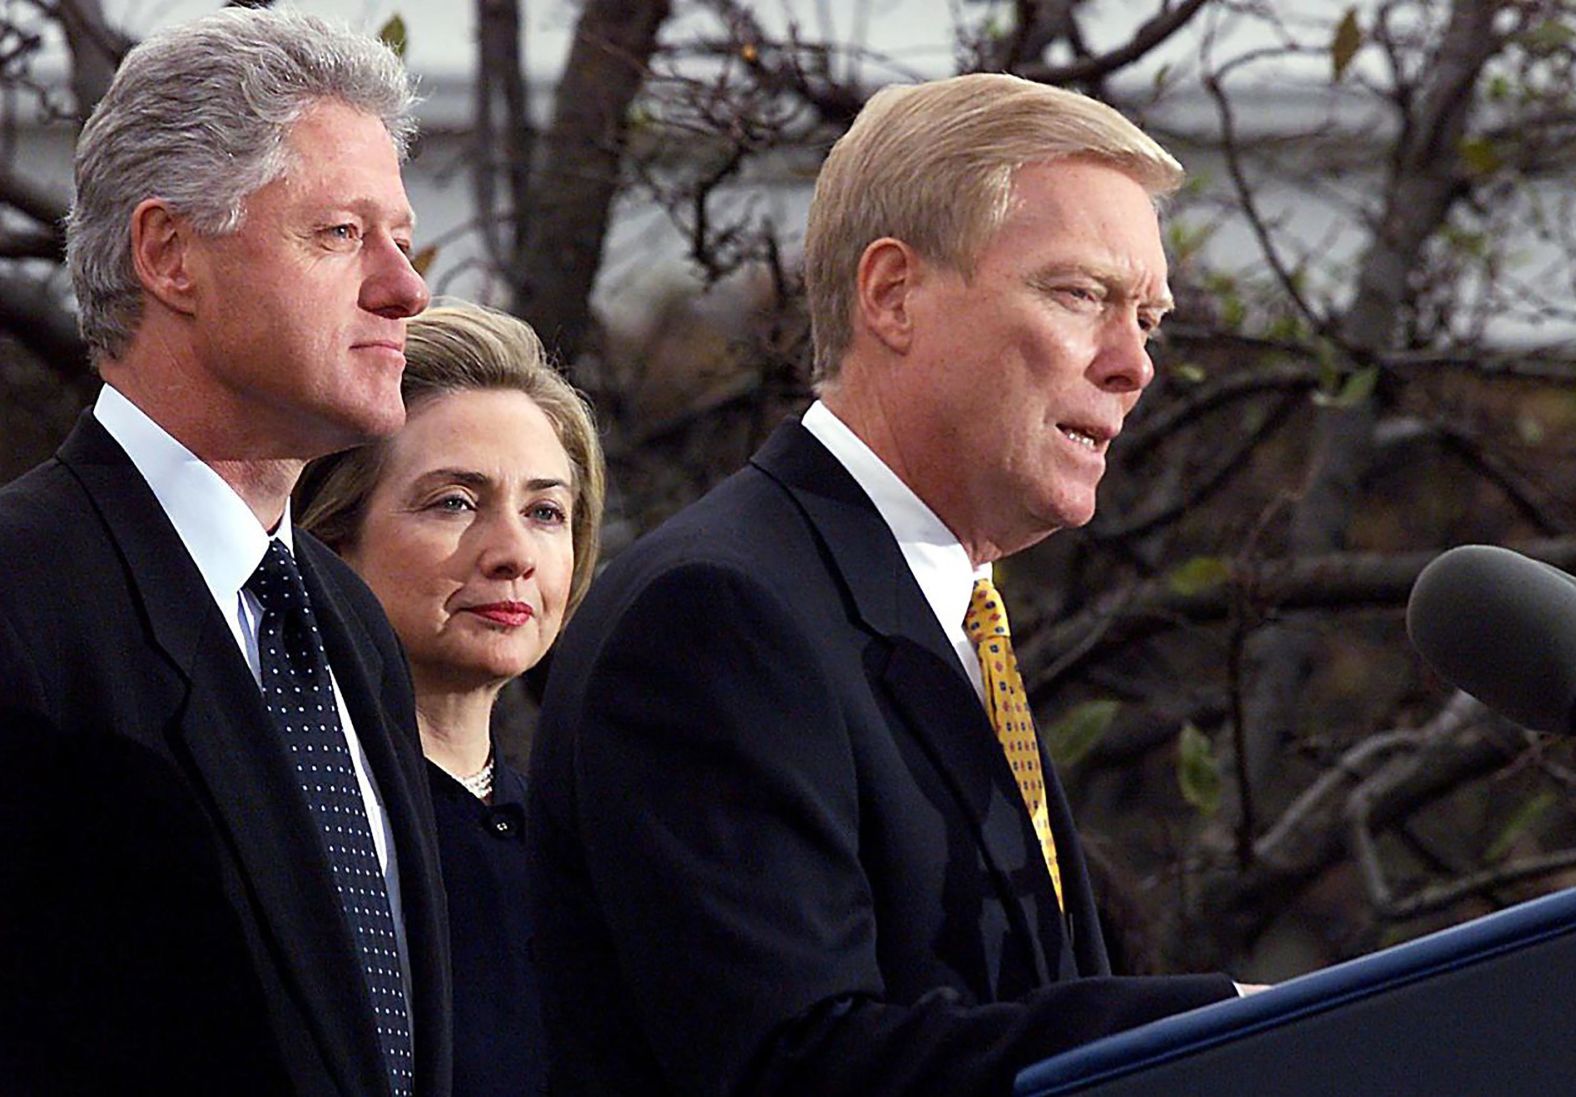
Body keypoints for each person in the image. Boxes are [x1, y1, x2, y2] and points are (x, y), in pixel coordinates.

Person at [527, 72, 1243, 1097]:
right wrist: (1219, 1023)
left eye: (1151, 319)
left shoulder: (948, 616)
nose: (1133, 363)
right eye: (1082, 294)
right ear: (893, 294)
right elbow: (795, 1065)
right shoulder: (717, 615)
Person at [0, 10, 450, 1096]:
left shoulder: (344, 619)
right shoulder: (21, 600)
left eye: (400, 234)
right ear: (168, 255)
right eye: (341, 234)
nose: (406, 287)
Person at [296, 301, 606, 1097]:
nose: (512, 556)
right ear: (332, 537)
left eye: (545, 511)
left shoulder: (591, 847)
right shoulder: (294, 830)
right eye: (454, 502)